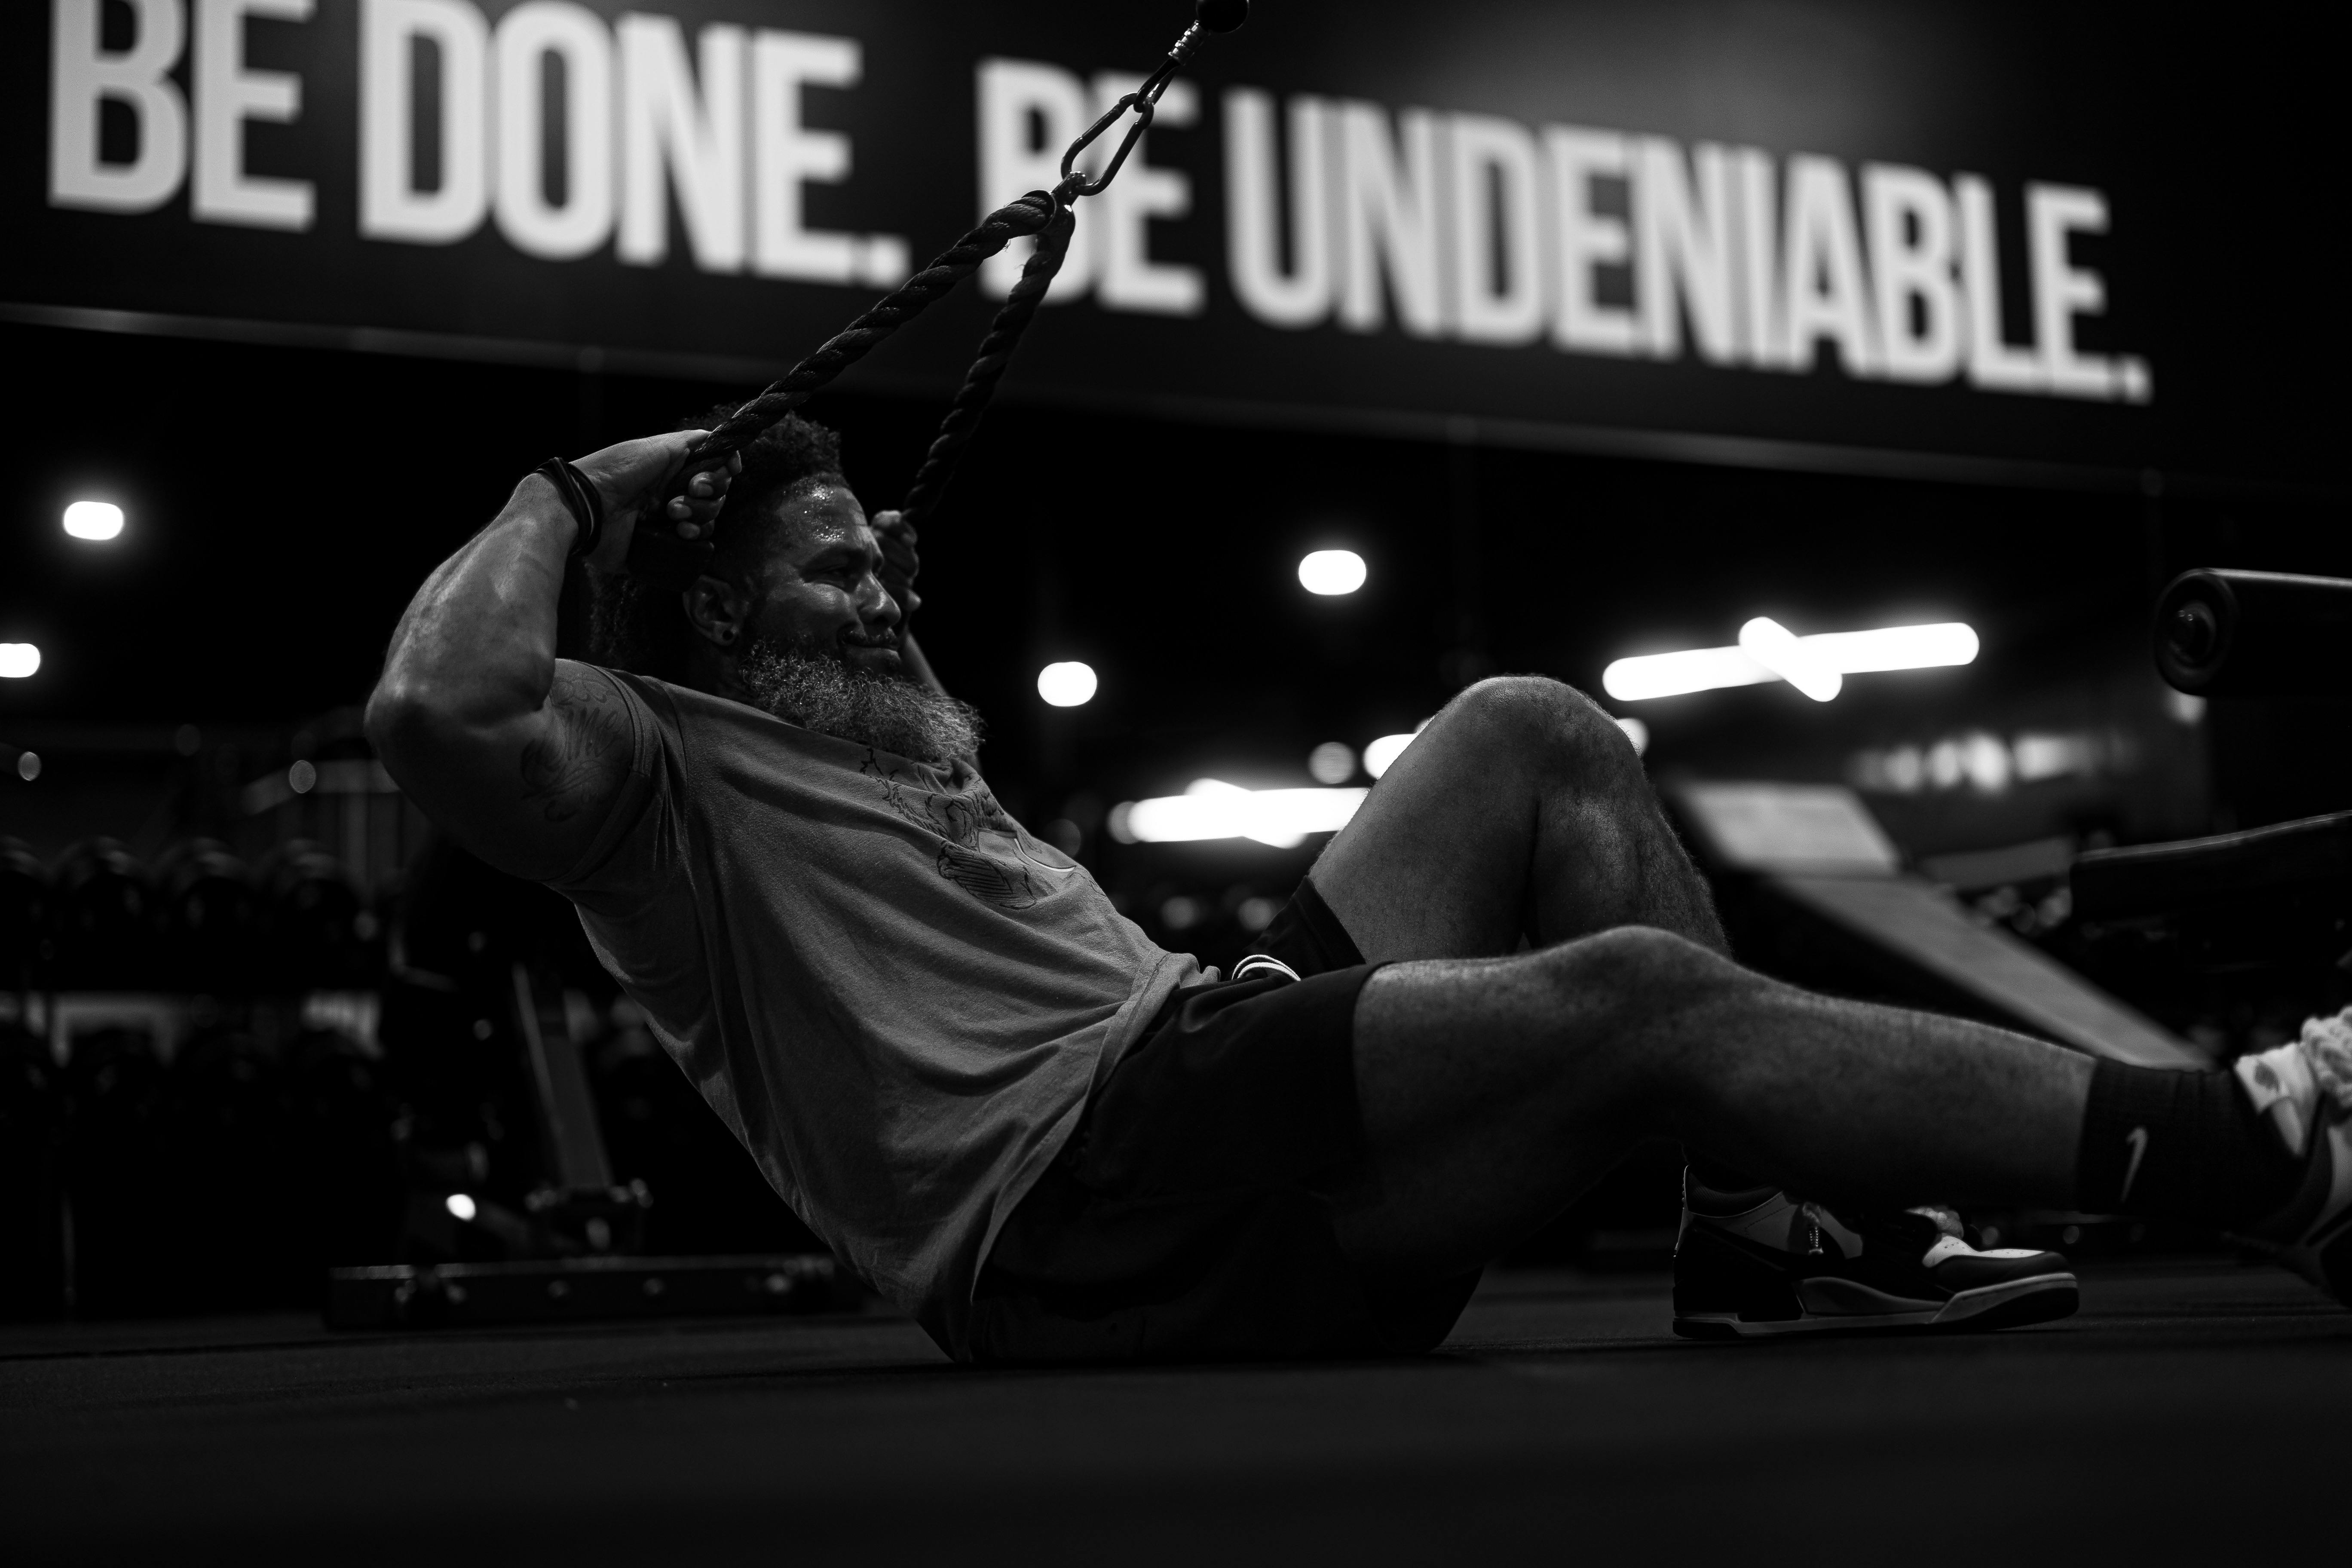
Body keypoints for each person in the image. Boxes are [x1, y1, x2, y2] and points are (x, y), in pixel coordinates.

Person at [367, 416, 2352, 1361]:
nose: (885, 590)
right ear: (710, 611)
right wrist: (571, 487)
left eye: (881, 562)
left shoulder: (888, 736)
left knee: (1531, 728)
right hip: (1082, 1190)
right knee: (1642, 1003)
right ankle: (2261, 1149)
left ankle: (1777, 1236)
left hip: (1185, 1085)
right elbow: (433, 709)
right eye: (830, 573)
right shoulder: (647, 763)